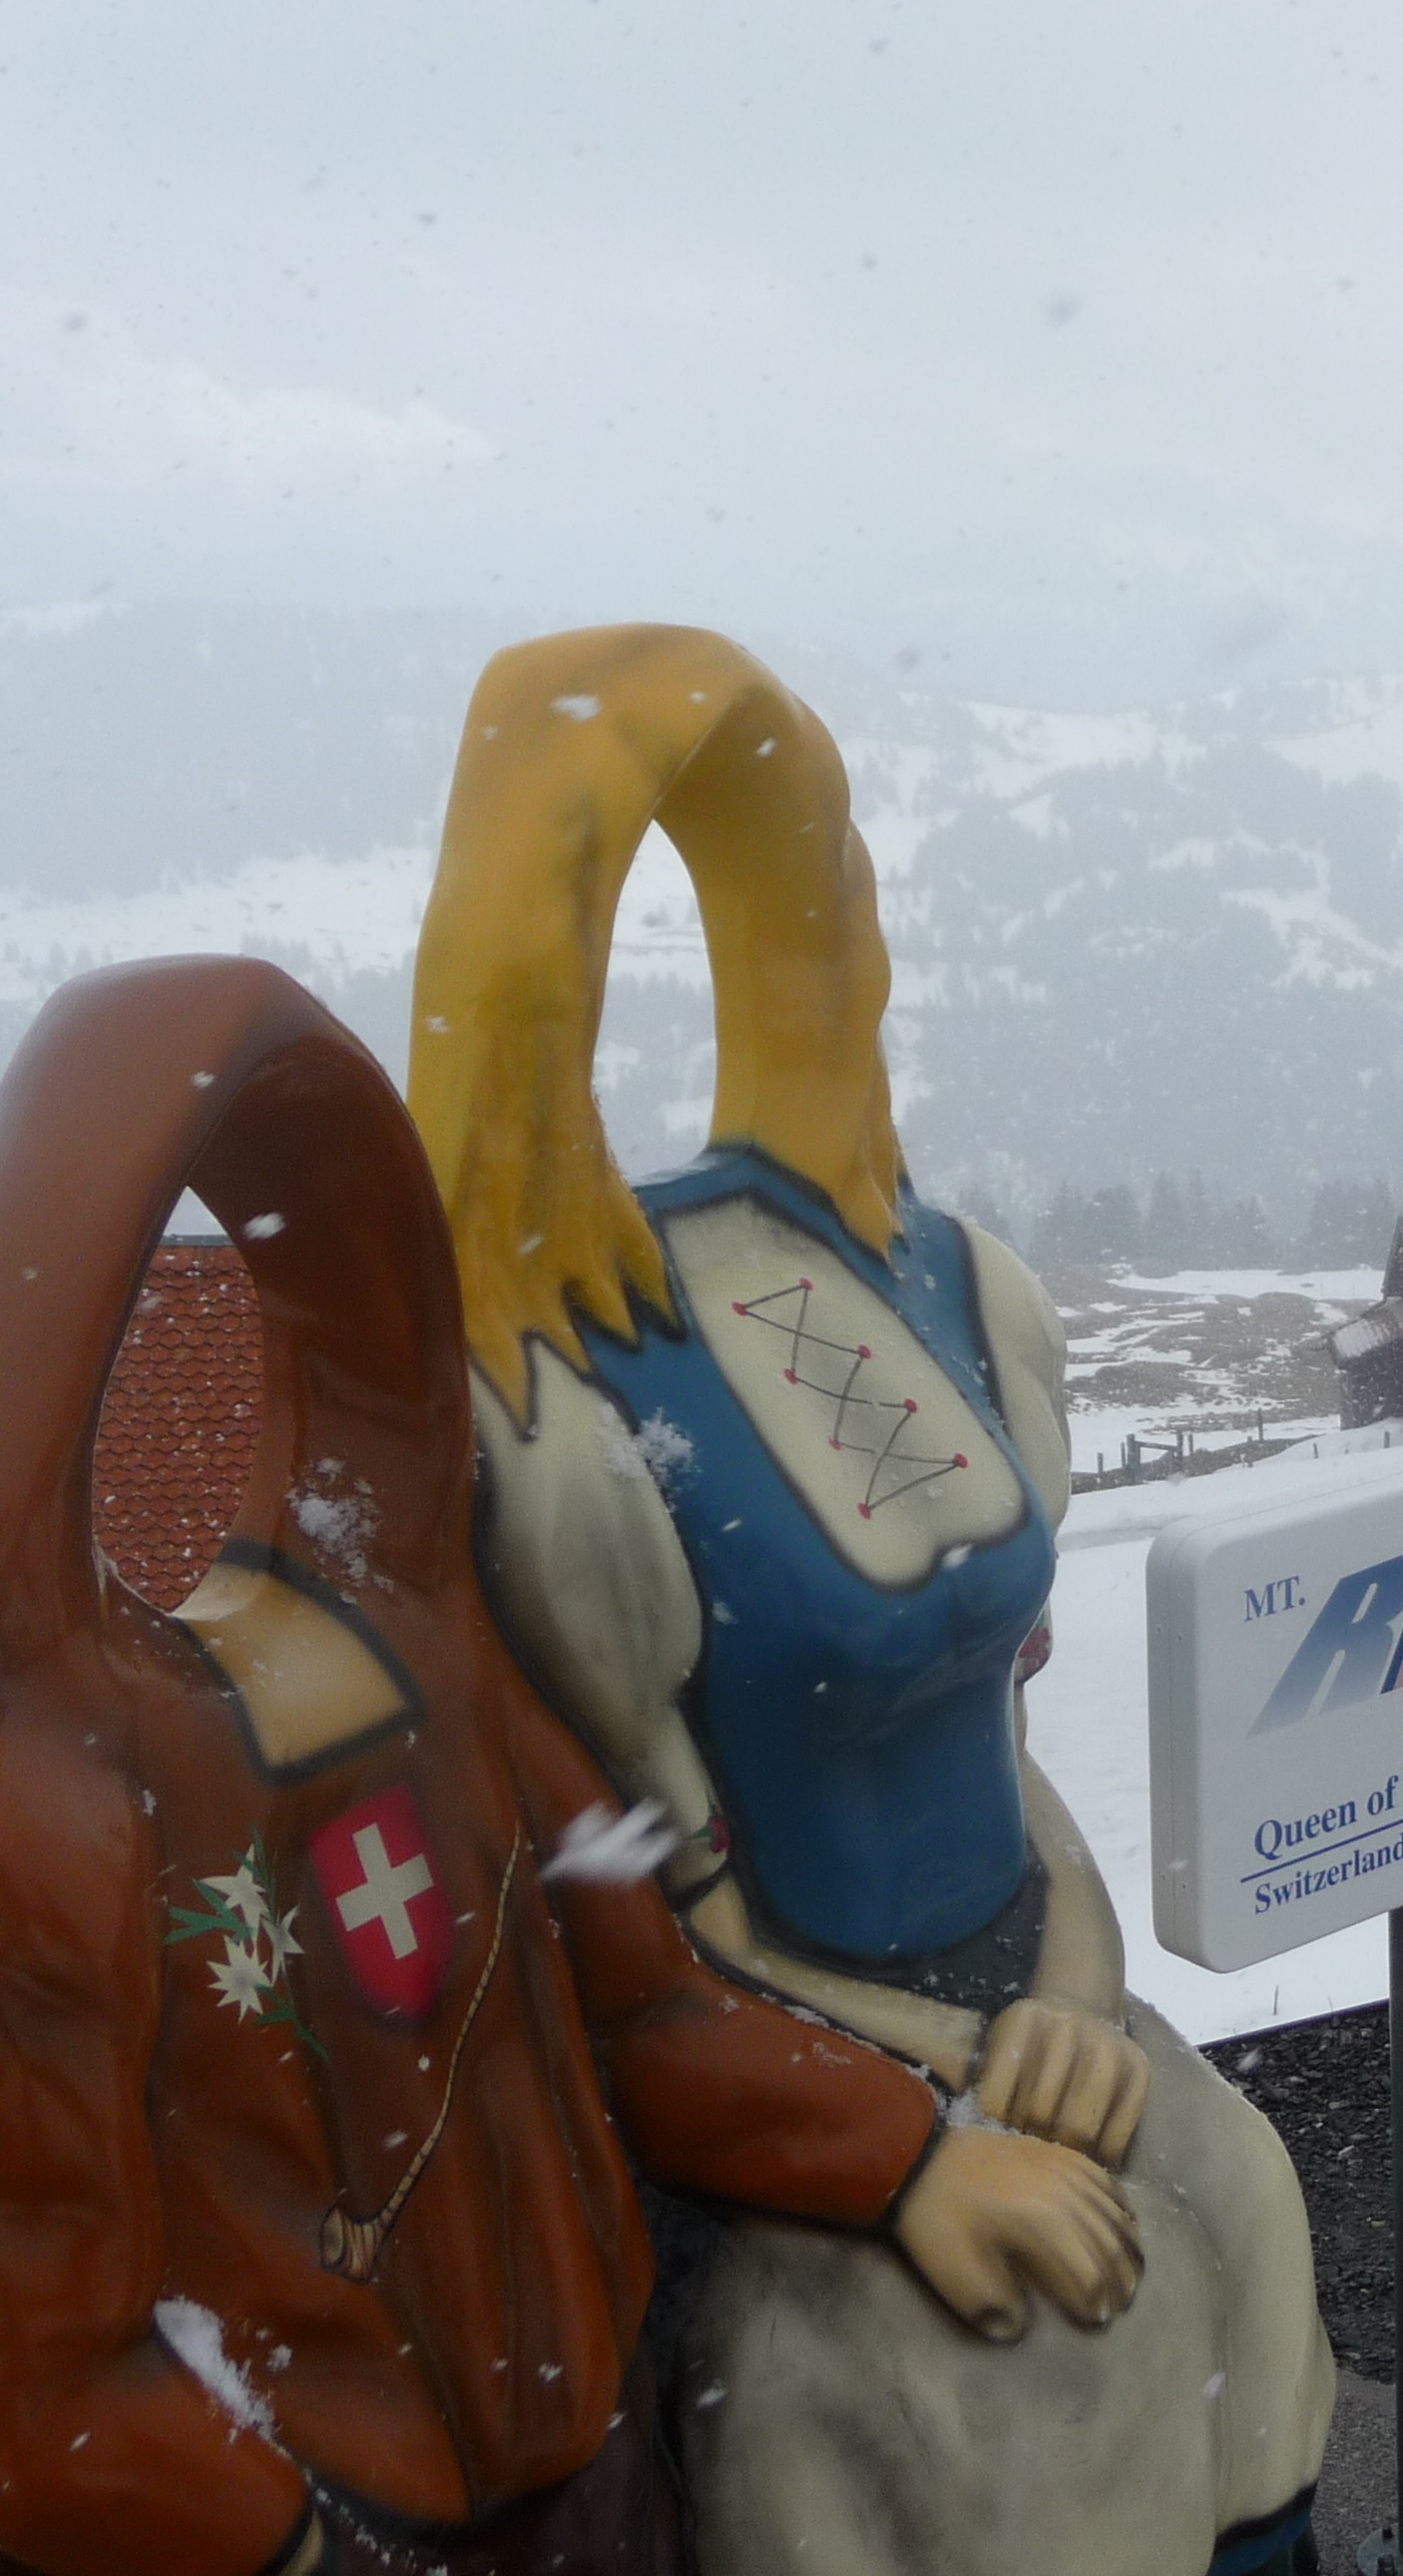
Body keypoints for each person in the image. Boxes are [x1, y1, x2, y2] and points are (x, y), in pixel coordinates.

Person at [0, 956, 1136, 2576]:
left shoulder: (431, 1667)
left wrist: (911, 2163)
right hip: (337, 2526)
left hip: (595, 2480)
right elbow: (52, 2395)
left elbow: (651, 2015)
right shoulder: (58, 1826)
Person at [403, 627, 1331, 2576]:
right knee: (1003, 2385)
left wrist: (1066, 1995)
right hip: (799, 2079)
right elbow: (659, 1925)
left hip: (1031, 1998)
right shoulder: (561, 1429)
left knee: (1246, 2208)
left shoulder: (964, 1286)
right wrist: (928, 2102)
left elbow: (1005, 1742)